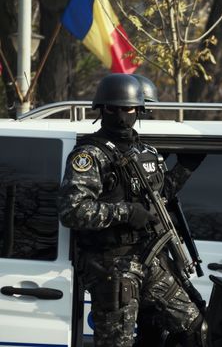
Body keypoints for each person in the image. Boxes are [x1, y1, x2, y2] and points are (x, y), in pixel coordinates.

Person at [57, 73, 207, 347]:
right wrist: (126, 212)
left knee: (195, 327)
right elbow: (73, 210)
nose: (121, 116)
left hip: (147, 258)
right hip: (111, 266)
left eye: (127, 109)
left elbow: (159, 196)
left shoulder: (146, 152)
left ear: (139, 110)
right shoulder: (90, 155)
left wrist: (186, 168)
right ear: (101, 110)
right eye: (113, 109)